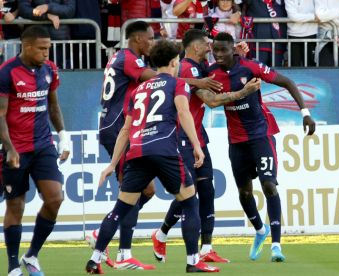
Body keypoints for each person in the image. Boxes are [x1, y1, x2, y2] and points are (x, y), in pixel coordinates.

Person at [85, 39, 220, 274]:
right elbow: (183, 111)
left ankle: (95, 258)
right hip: (164, 150)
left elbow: (126, 131)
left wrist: (112, 164)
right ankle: (193, 260)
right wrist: (197, 146)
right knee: (189, 201)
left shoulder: (137, 91)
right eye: (177, 62)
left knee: (121, 207)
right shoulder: (178, 84)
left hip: (136, 153)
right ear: (173, 62)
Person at [151, 29, 260, 264]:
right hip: (182, 138)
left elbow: (219, 70)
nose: (211, 47)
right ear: (196, 46)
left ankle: (206, 247)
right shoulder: (187, 67)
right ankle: (161, 234)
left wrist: (240, 56)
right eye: (207, 44)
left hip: (199, 137)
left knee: (207, 190)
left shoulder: (199, 68)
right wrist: (244, 92)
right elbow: (211, 101)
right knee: (188, 193)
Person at [208, 32, 315, 262]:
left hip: (261, 136)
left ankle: (276, 245)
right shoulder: (211, 73)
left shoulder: (251, 67)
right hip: (236, 141)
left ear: (233, 50)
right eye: (214, 50)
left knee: (269, 185)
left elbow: (286, 82)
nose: (218, 55)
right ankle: (259, 230)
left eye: (222, 50)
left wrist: (305, 113)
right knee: (244, 192)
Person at [87, 20, 158, 271]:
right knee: (133, 190)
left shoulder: (122, 57)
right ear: (138, 39)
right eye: (150, 38)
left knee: (147, 190)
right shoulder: (129, 58)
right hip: (118, 130)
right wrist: (183, 78)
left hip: (118, 128)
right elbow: (155, 79)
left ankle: (103, 233)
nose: (152, 42)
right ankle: (123, 253)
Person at [0, 25, 70, 276]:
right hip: (15, 149)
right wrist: (9, 148)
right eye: (41, 49)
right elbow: (0, 115)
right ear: (26, 46)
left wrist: (63, 137)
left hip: (43, 146)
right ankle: (12, 267)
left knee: (55, 198)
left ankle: (31, 256)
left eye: (48, 48)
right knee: (15, 207)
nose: (46, 53)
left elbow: (53, 105)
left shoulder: (49, 69)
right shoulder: (6, 72)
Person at [285, 0, 318, 67]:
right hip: (293, 35)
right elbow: (293, 16)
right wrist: (313, 17)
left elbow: (320, 12)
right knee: (294, 66)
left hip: (311, 34)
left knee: (311, 66)